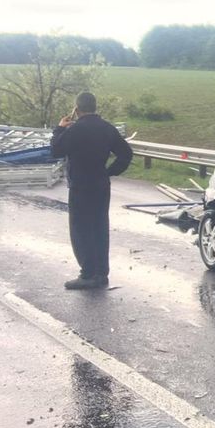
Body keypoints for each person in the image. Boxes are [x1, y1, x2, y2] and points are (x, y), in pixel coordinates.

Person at [51, 92, 132, 290]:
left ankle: (87, 274)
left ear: (77, 110)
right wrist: (109, 172)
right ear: (95, 107)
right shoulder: (107, 128)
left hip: (80, 185)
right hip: (101, 184)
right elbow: (126, 154)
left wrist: (59, 129)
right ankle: (101, 273)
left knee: (81, 229)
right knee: (99, 227)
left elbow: (56, 150)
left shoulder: (75, 129)